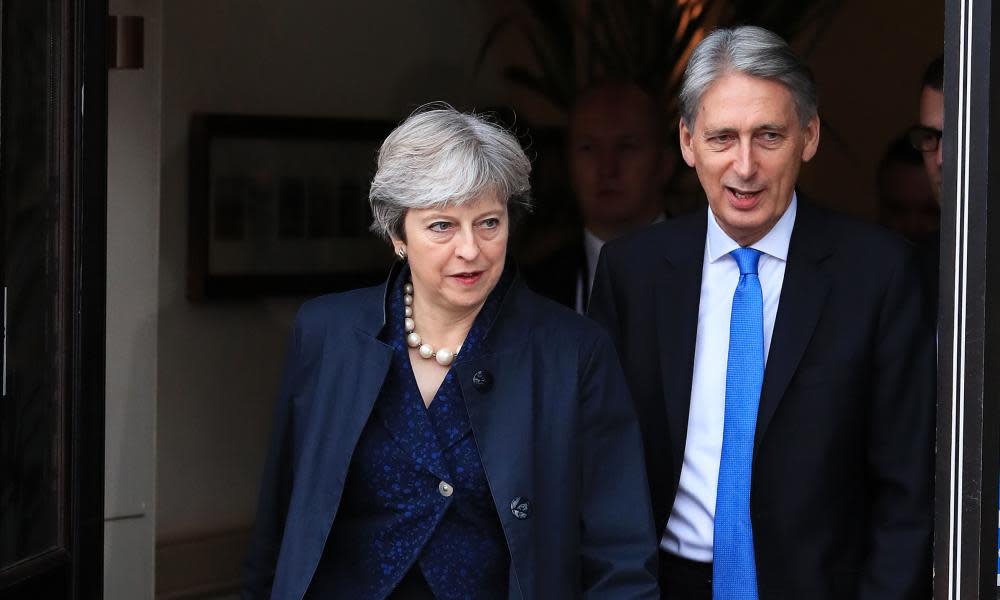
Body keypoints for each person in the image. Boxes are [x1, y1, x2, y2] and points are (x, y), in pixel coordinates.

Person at [242, 105, 659, 599]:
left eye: (488, 223)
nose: (471, 249)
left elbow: (620, 555)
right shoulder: (327, 334)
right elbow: (278, 523)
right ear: (398, 235)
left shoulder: (572, 352)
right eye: (442, 226)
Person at [589, 26, 935, 599]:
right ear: (686, 142)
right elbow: (597, 464)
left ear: (810, 135)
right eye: (722, 137)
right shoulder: (634, 273)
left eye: (768, 136)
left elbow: (907, 493)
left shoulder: (877, 275)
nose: (744, 166)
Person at [523, 80, 674, 313]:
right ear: (568, 164)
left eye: (626, 147)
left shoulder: (710, 269)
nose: (607, 168)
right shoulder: (530, 293)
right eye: (588, 148)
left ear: (665, 161)